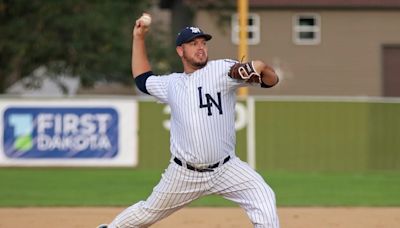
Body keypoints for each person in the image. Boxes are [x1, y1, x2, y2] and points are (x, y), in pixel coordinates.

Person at [98, 14, 280, 228]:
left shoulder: (221, 69)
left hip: (226, 168)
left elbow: (270, 80)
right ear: (180, 51)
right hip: (184, 173)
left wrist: (259, 67)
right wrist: (139, 38)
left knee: (263, 196)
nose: (200, 47)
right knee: (147, 213)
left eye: (203, 43)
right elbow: (142, 80)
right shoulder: (171, 84)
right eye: (193, 44)